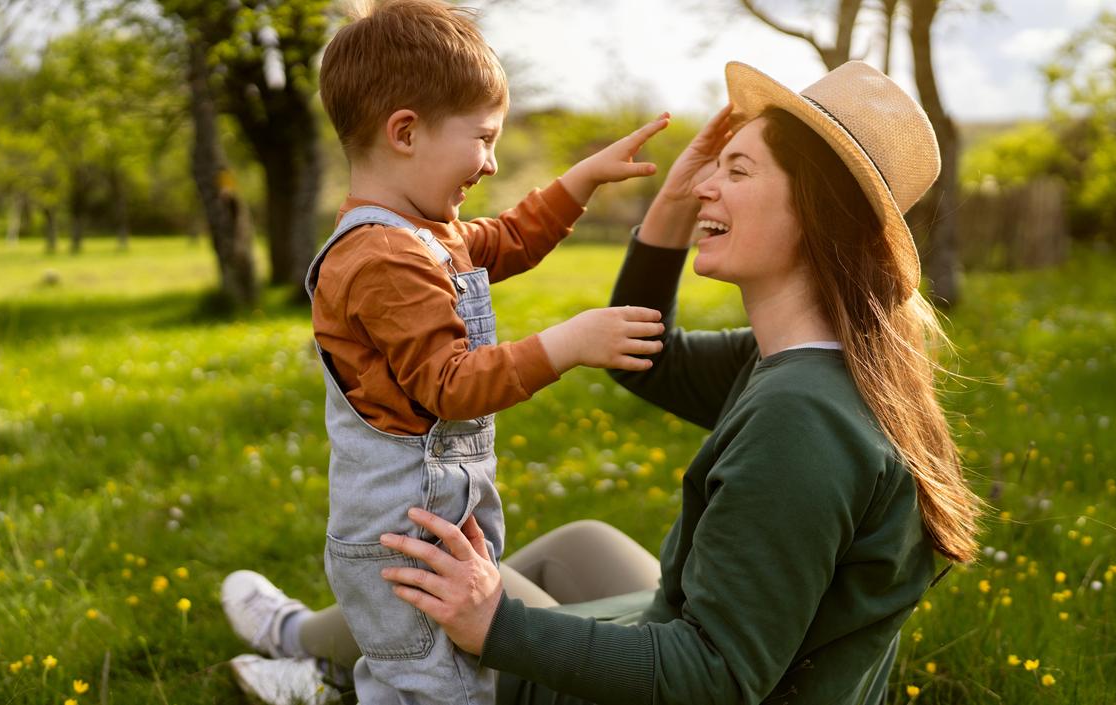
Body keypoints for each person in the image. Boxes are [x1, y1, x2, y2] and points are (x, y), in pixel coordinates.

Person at [225, 59, 982, 705]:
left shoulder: (801, 424)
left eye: (737, 169)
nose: (709, 183)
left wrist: (495, 626)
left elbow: (715, 676)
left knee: (430, 570)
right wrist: (672, 210)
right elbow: (643, 354)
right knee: (581, 546)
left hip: (695, 682)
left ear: (816, 213)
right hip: (721, 653)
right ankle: (304, 640)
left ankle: (327, 671)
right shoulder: (813, 362)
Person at [224, 1, 675, 703]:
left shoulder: (430, 232)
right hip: (403, 546)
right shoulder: (382, 256)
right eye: (484, 139)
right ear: (405, 132)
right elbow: (452, 385)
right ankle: (318, 674)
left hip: (436, 525)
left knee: (434, 673)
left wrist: (581, 179)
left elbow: (509, 240)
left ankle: (311, 671)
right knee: (433, 689)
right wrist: (567, 344)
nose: (492, 163)